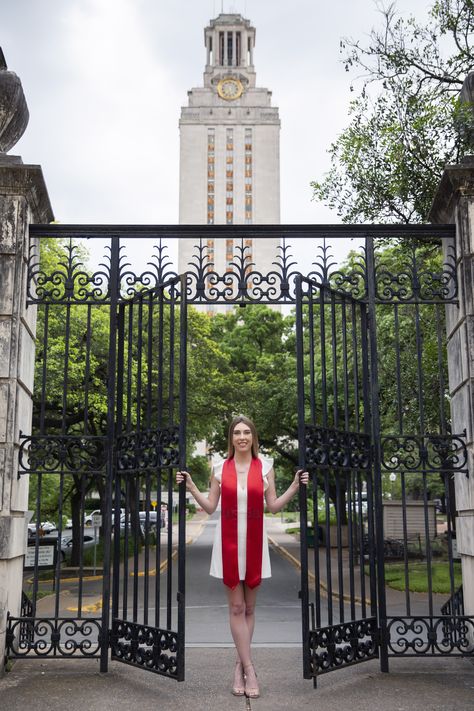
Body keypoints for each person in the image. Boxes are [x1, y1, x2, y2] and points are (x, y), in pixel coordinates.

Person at [176, 415, 309, 699]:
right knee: (237, 608)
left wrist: (295, 486)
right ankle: (249, 667)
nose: (242, 437)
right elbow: (211, 507)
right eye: (237, 432)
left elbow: (272, 506)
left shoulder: (266, 467)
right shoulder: (219, 467)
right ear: (231, 438)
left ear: (253, 437)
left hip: (255, 544)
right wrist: (191, 487)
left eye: (247, 432)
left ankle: (239, 665)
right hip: (227, 545)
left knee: (249, 609)